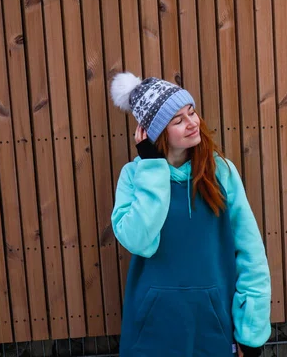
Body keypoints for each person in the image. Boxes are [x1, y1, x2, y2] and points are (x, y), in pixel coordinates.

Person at [109, 72, 271, 357]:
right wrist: (152, 169)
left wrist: (251, 331)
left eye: (192, 112)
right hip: (152, 331)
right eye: (178, 120)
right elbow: (138, 241)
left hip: (214, 326)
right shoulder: (134, 176)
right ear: (158, 132)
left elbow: (251, 254)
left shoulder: (221, 171)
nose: (193, 123)